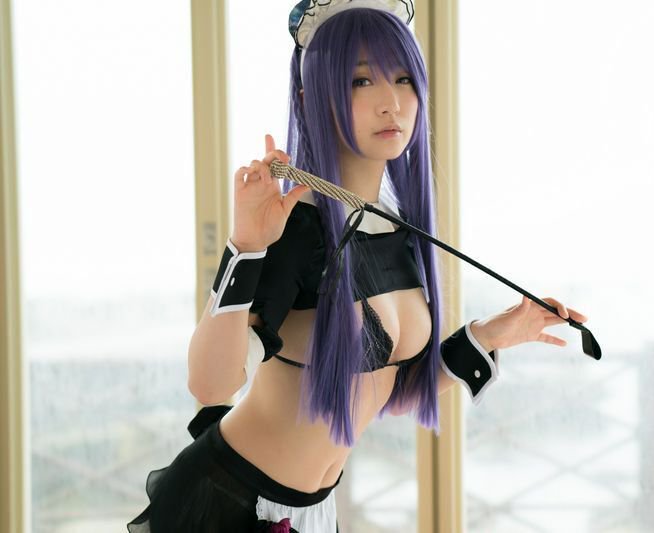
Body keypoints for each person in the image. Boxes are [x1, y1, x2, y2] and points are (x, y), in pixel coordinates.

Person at [128, 1, 588, 531]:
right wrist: (245, 246)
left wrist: (490, 334)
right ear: (312, 98)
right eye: (361, 81)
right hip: (228, 504)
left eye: (402, 78)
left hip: (313, 511)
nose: (390, 102)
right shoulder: (297, 226)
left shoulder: (396, 228)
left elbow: (390, 389)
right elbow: (210, 384)